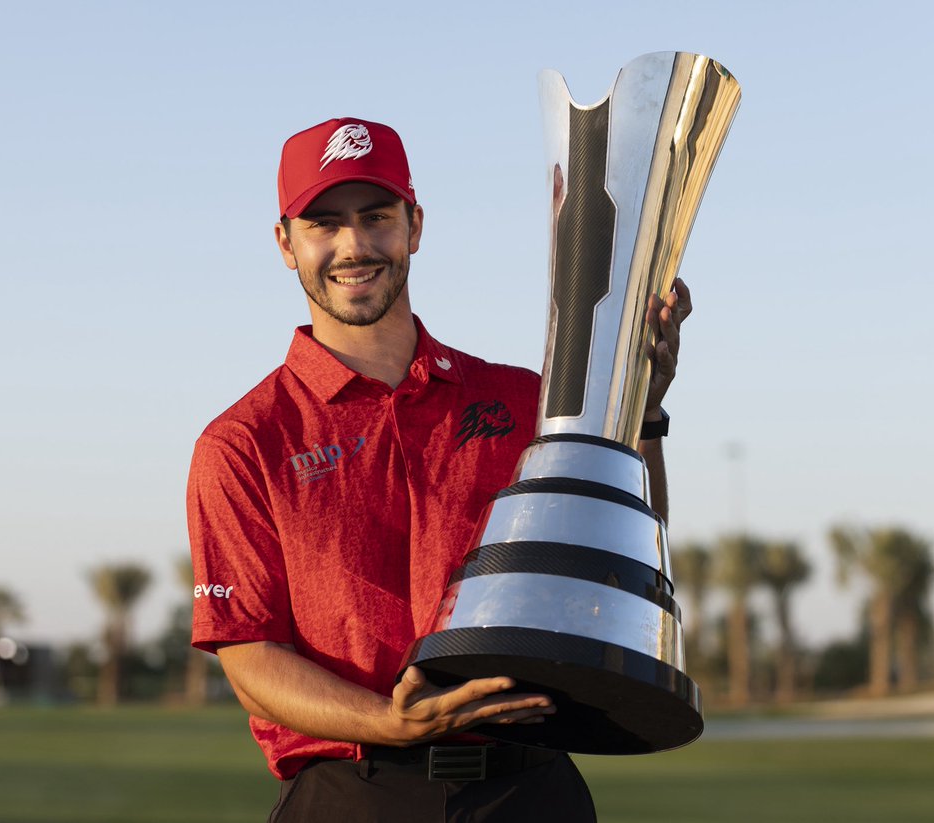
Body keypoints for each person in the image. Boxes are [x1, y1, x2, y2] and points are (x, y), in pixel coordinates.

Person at [187, 117, 692, 822]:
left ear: (414, 227)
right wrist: (388, 721)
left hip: (530, 788)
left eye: (376, 217)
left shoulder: (523, 400)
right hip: (353, 794)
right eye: (324, 223)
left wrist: (641, 414)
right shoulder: (244, 441)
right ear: (285, 243)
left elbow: (622, 557)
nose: (353, 245)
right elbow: (251, 655)